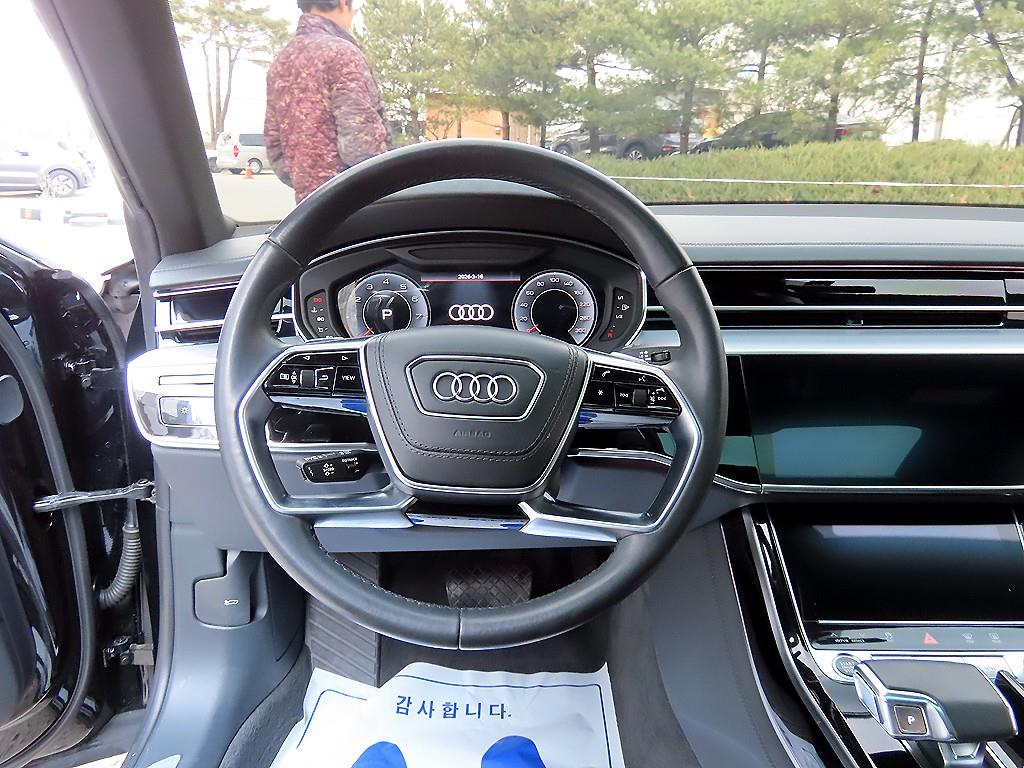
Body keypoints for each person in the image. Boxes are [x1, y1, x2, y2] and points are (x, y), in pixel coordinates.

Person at [265, 0, 392, 203]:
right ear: (342, 3)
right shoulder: (343, 54)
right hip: (354, 204)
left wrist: (309, 180)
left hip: (309, 209)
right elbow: (362, 147)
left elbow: (275, 148)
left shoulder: (280, 62)